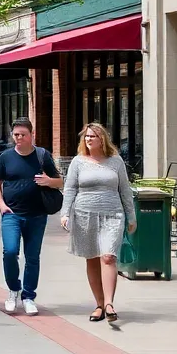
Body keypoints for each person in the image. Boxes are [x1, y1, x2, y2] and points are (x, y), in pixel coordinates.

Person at [61, 123, 137, 323]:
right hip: (84, 215)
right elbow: (70, 189)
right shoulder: (78, 162)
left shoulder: (115, 161)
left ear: (102, 139)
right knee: (92, 258)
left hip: (112, 214)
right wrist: (65, 213)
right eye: (86, 137)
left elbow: (125, 190)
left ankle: (110, 304)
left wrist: (132, 216)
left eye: (92, 136)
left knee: (108, 257)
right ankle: (99, 304)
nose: (88, 140)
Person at [0, 117, 63, 315]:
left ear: (32, 135)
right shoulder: (5, 157)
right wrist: (2, 205)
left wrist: (48, 180)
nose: (19, 138)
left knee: (32, 257)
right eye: (16, 135)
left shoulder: (42, 156)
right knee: (10, 251)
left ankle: (29, 296)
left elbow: (60, 182)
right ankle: (14, 289)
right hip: (11, 214)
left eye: (23, 135)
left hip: (37, 215)